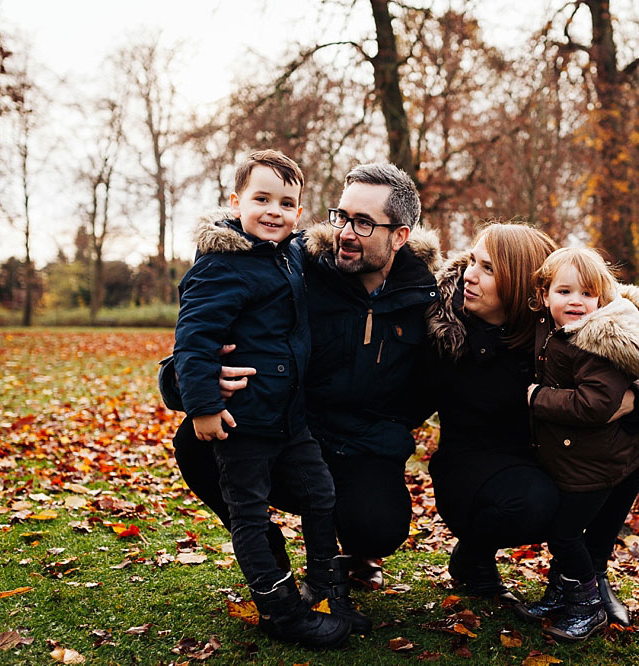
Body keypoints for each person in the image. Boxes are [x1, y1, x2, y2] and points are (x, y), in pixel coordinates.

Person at [165, 162, 440, 607]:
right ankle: (264, 547)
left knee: (379, 527)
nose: (346, 233)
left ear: (401, 236)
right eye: (342, 216)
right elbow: (197, 338)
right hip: (292, 430)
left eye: (365, 223)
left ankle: (354, 549)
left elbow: (440, 384)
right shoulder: (296, 271)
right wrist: (191, 384)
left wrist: (388, 437)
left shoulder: (426, 298)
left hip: (364, 447)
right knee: (196, 444)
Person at [425, 223, 639, 628]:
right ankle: (476, 552)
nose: (470, 275)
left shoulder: (555, 327)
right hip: (475, 471)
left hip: (543, 456)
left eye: (486, 268)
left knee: (629, 449)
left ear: (522, 283)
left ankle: (589, 573)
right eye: (472, 262)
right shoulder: (448, 332)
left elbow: (629, 372)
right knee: (537, 506)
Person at [172, 150, 352, 647]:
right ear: (235, 202)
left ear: (299, 210)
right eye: (261, 199)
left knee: (322, 495)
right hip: (242, 421)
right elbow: (194, 340)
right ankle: (282, 611)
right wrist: (203, 406)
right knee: (249, 515)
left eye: (287, 202)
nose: (274, 211)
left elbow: (322, 253)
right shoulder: (221, 266)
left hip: (291, 420)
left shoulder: (291, 253)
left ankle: (325, 586)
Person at [515, 247, 639, 641]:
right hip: (575, 457)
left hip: (597, 464)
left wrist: (537, 397)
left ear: (602, 299)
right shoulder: (549, 327)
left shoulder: (597, 341)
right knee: (564, 533)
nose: (576, 302)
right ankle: (560, 593)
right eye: (565, 292)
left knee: (566, 535)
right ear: (544, 295)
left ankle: (587, 605)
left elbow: (597, 404)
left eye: (587, 293)